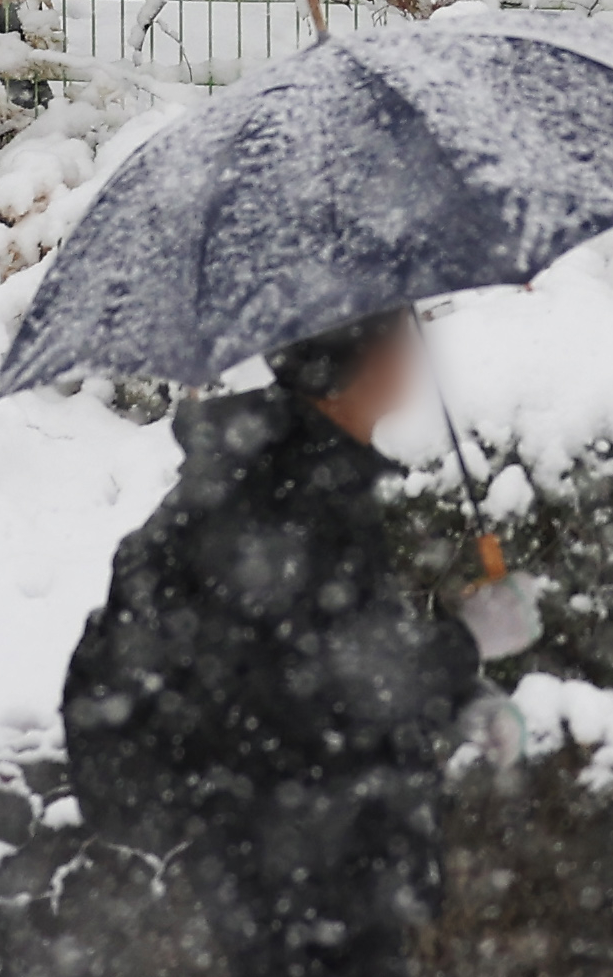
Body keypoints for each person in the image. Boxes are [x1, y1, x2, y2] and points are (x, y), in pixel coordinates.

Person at [61, 308, 540, 977]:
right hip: (297, 864)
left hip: (308, 857)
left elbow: (337, 658)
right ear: (362, 362)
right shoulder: (285, 495)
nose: (418, 348)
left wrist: (459, 697)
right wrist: (468, 641)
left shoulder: (299, 472)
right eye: (404, 332)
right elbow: (328, 685)